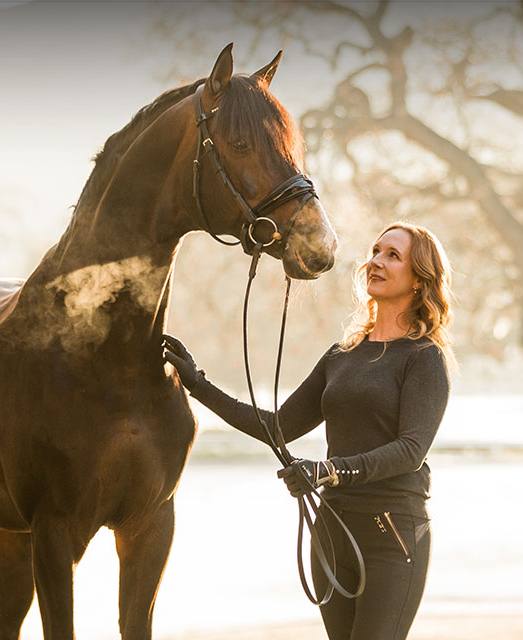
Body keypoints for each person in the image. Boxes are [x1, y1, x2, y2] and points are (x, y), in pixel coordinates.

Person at [162, 221, 454, 640]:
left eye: (393, 255)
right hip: (333, 533)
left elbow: (410, 450)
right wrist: (198, 384)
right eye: (375, 251)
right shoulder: (342, 355)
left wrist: (329, 470)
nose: (376, 261)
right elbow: (278, 427)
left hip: (393, 537)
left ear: (419, 279)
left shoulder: (424, 358)